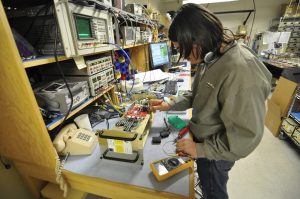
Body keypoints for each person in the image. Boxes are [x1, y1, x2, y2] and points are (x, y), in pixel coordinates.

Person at [149, 3, 272, 199]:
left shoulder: (241, 71)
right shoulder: (211, 57)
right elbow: (196, 95)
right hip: (204, 142)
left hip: (216, 154)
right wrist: (170, 104)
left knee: (213, 191)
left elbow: (246, 136)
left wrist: (200, 149)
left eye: (183, 48)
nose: (184, 56)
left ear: (197, 40)